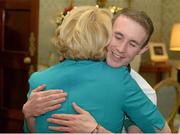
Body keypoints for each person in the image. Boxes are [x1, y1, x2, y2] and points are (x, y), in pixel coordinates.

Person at [23, 7, 171, 133]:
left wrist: (96, 130)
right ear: (104, 34)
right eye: (118, 36)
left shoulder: (144, 90)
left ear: (142, 49)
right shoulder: (120, 80)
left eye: (132, 43)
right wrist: (28, 113)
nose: (121, 48)